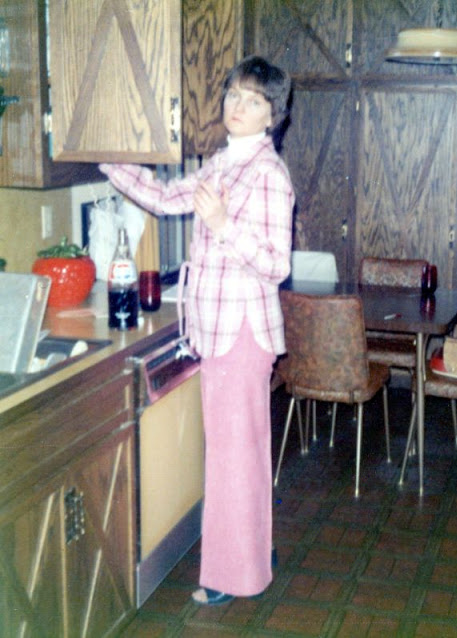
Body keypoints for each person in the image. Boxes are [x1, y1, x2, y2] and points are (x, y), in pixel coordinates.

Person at [100, 55, 294, 605]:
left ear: (272, 116)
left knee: (234, 457)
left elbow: (277, 263)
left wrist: (223, 227)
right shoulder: (221, 164)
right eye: (233, 94)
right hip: (219, 331)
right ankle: (251, 557)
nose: (236, 106)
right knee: (240, 453)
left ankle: (232, 577)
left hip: (241, 332)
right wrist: (108, 160)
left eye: (252, 101)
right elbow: (164, 199)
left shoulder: (268, 175)